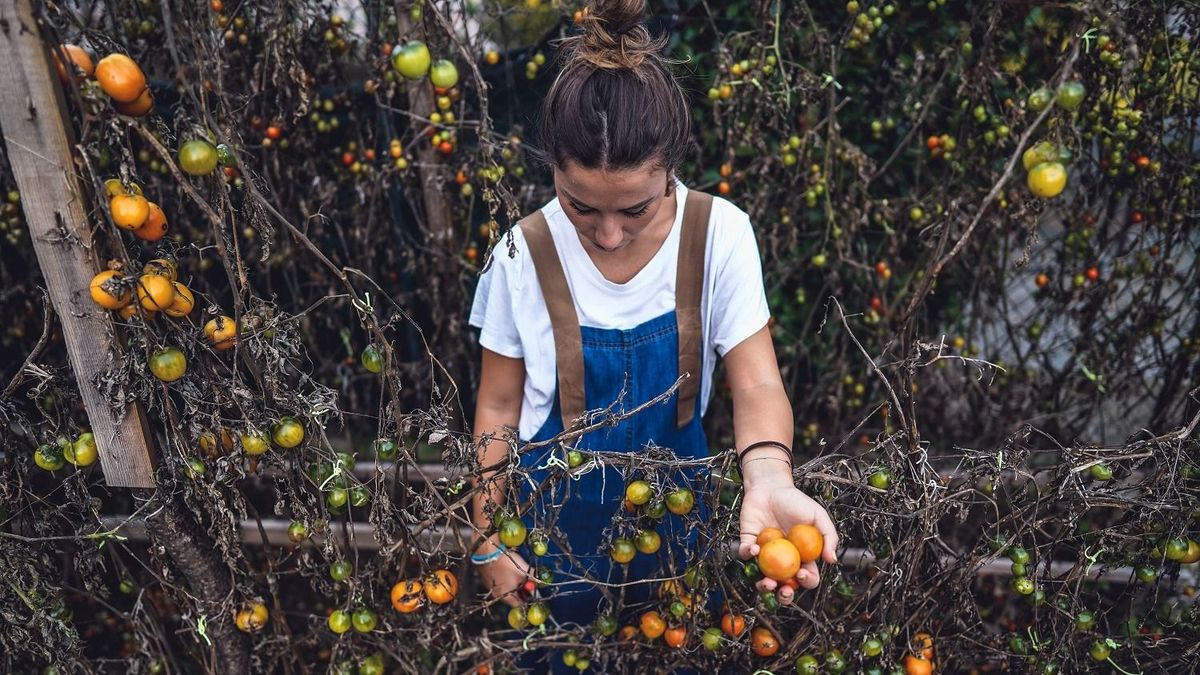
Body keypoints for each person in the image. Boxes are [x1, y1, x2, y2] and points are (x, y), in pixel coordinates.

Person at [468, 0, 839, 665]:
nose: (608, 234)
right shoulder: (522, 254)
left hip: (675, 521)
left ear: (670, 166)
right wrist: (489, 538)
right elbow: (497, 407)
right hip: (554, 538)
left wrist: (768, 475)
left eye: (634, 208)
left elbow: (755, 380)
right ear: (552, 164)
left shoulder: (718, 235)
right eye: (582, 207)